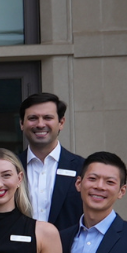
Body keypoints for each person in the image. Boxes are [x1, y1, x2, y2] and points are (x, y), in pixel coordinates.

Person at [21, 93, 85, 229]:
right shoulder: (10, 167)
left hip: (68, 249)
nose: (40, 124)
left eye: (47, 118)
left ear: (61, 123)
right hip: (18, 249)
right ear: (22, 123)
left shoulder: (83, 168)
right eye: (33, 118)